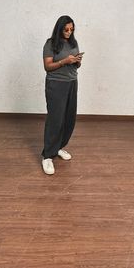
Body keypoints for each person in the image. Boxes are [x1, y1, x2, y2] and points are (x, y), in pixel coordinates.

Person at [41, 15, 83, 175]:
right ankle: (47, 156)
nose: (69, 32)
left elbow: (76, 65)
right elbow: (47, 66)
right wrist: (64, 61)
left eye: (72, 29)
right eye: (66, 29)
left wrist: (77, 61)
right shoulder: (50, 44)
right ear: (59, 29)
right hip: (56, 84)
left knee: (69, 118)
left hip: (72, 82)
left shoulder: (73, 43)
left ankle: (58, 147)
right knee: (55, 119)